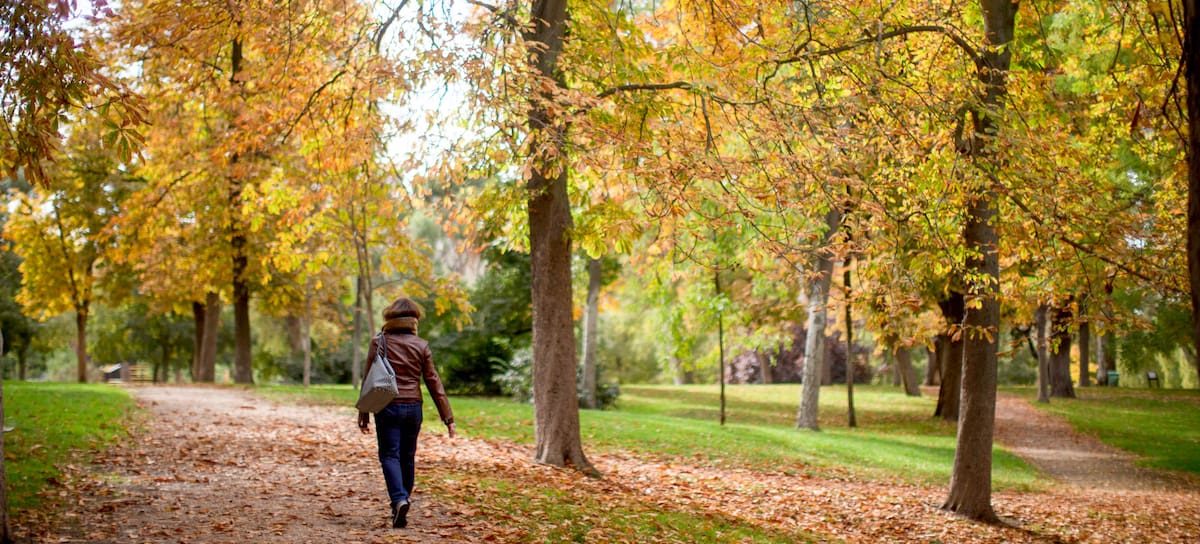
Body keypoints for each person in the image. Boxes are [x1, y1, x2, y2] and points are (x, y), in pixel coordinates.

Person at [358, 297, 456, 529]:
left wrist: (363, 411)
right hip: (413, 407)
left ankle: (399, 500)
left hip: (387, 405)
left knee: (390, 455)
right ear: (414, 321)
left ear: (390, 318)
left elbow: (368, 378)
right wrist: (448, 418)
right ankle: (401, 503)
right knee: (407, 456)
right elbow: (433, 382)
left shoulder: (379, 342)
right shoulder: (421, 345)